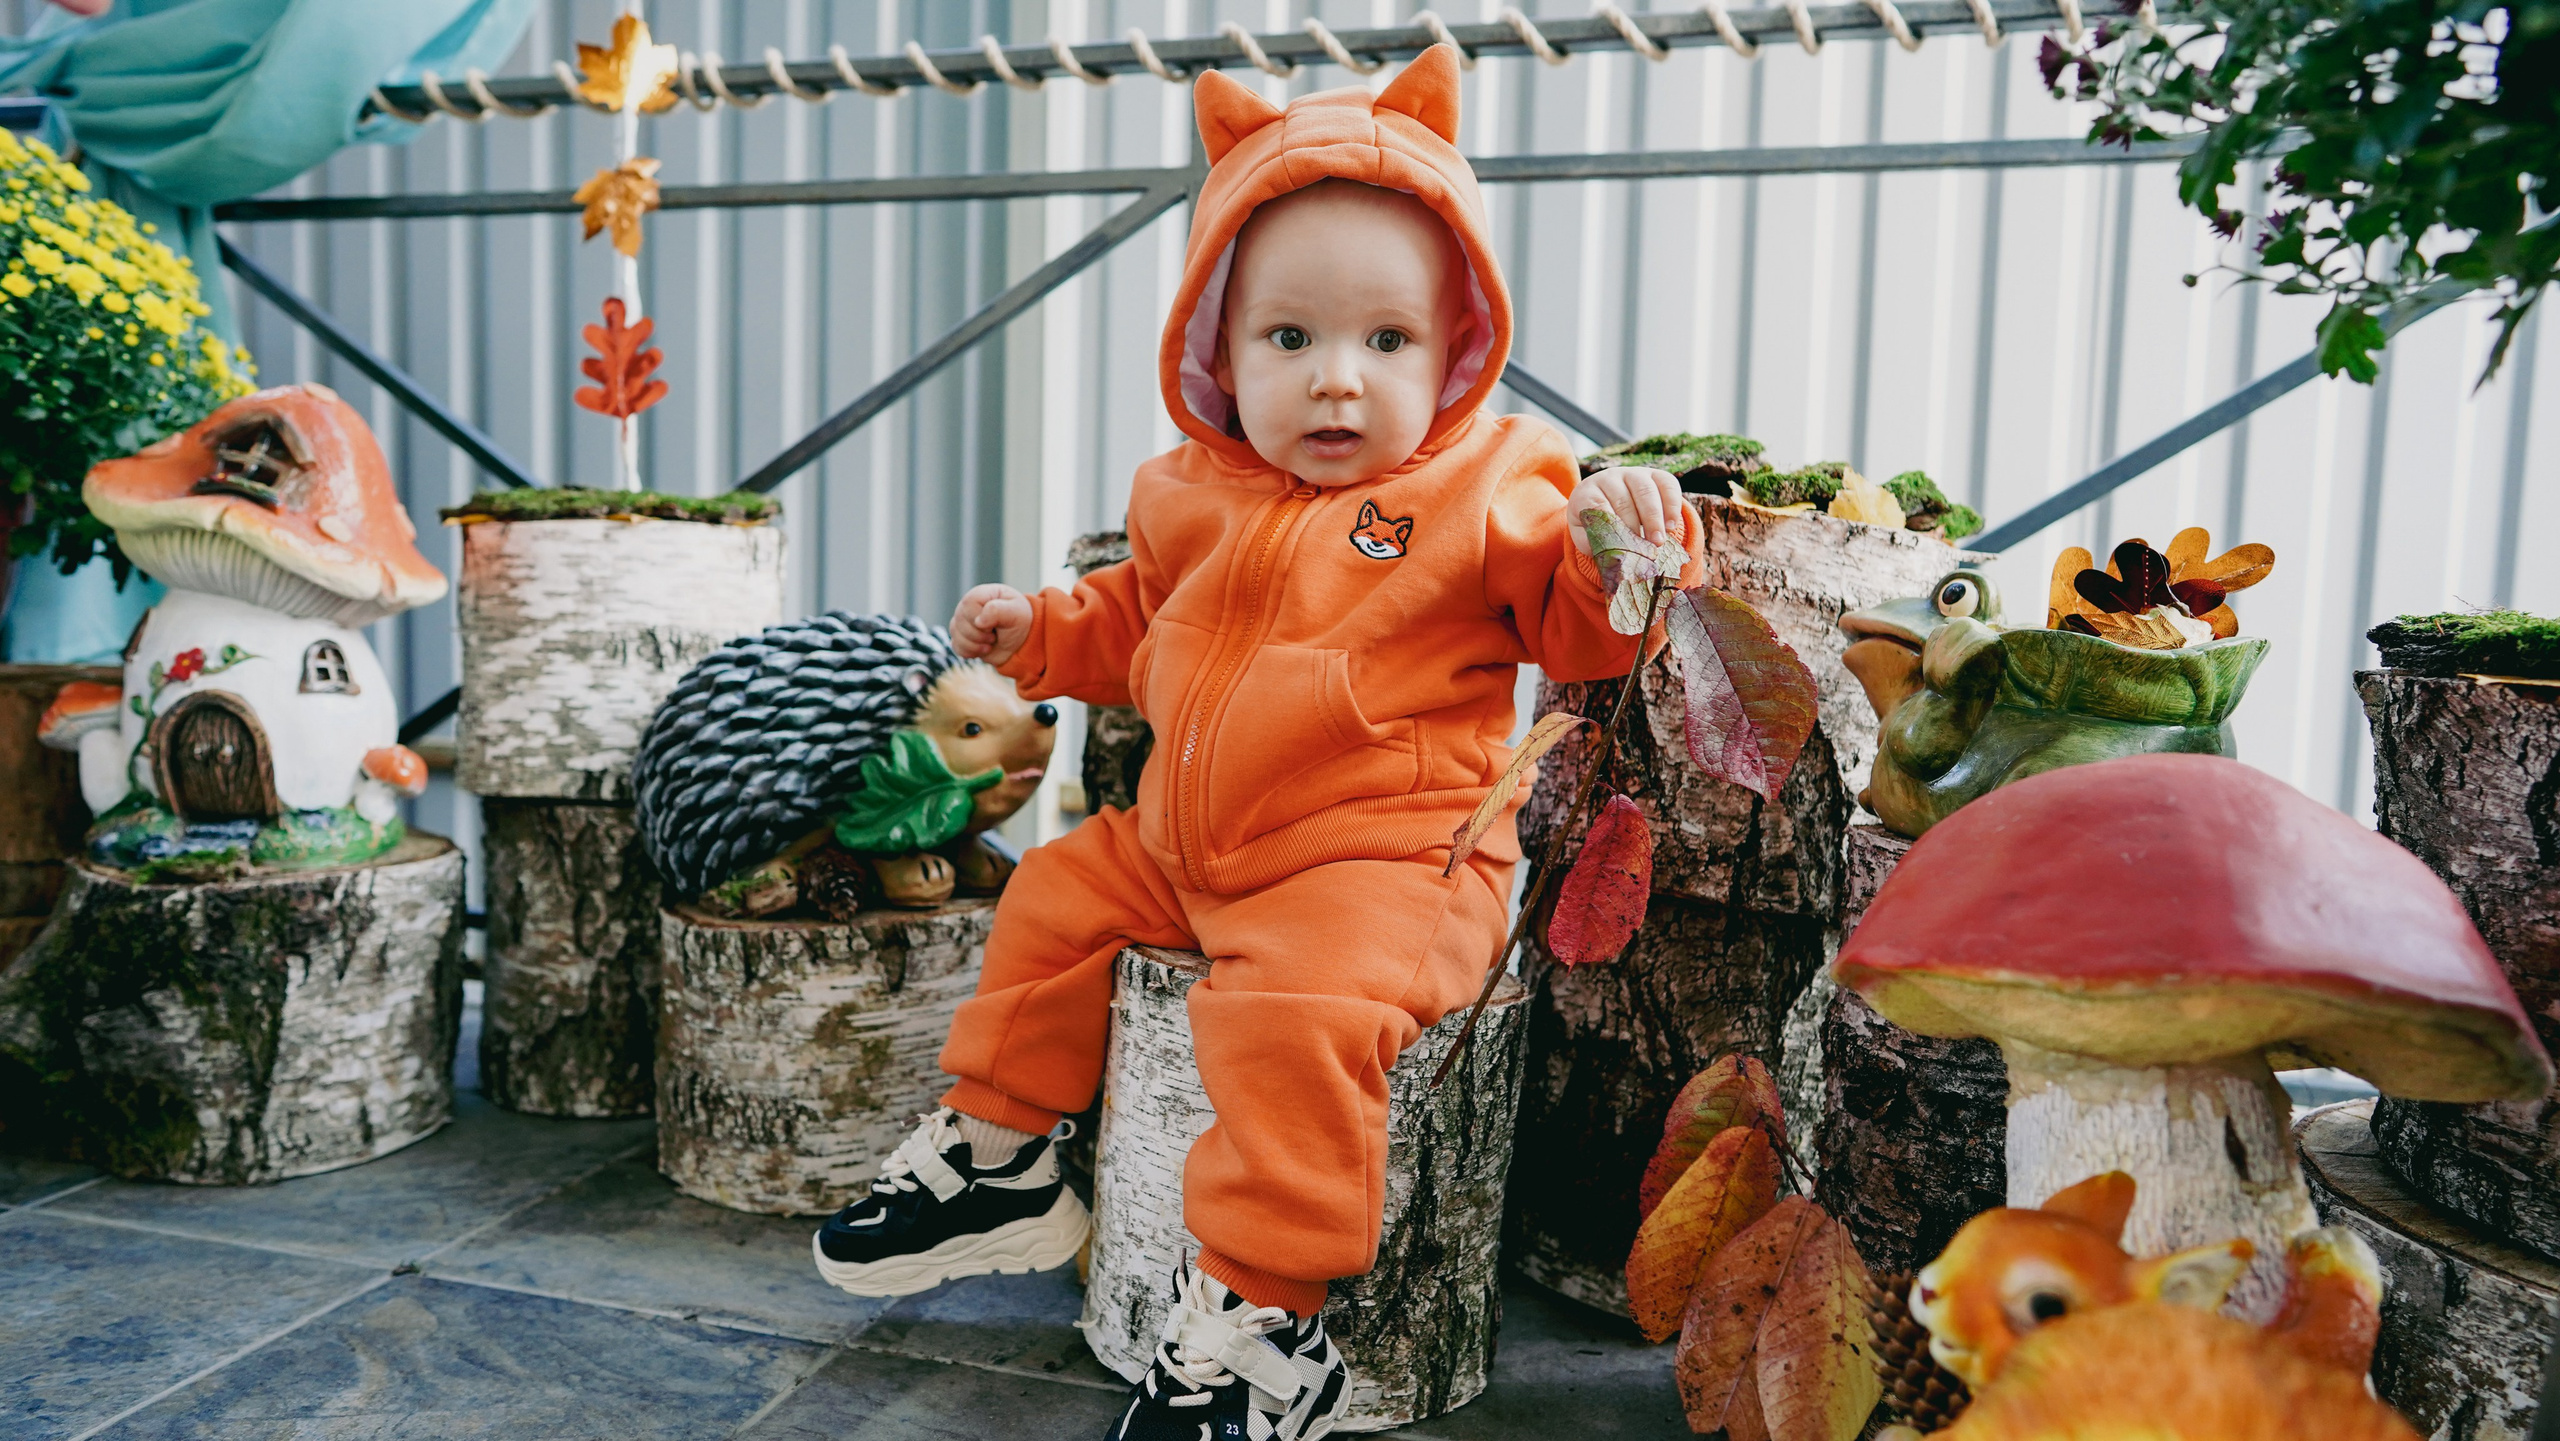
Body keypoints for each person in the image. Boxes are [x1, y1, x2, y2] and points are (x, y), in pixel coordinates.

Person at [811, 45, 1701, 1441]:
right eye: (1290, 339)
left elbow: (1575, 625)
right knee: (1050, 895)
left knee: (1287, 1028)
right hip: (1188, 844)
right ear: (1217, 348)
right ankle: (1000, 1159)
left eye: (1386, 342)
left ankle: (1263, 1322)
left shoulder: (1492, 489)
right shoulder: (1190, 493)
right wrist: (1040, 633)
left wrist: (1620, 554)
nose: (1337, 383)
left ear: (1459, 345)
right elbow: (1140, 627)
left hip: (1381, 869)